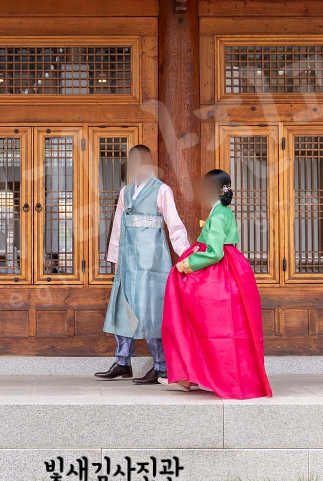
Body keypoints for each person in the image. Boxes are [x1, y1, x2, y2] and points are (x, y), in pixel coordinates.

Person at [160, 169, 272, 399]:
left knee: (200, 322)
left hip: (218, 273)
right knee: (216, 328)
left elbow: (214, 252)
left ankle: (195, 376)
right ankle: (193, 375)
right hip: (230, 272)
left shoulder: (219, 215)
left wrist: (187, 264)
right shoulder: (221, 211)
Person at [96, 145, 190, 384]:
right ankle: (123, 362)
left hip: (152, 260)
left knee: (151, 309)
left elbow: (174, 224)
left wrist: (186, 255)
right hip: (128, 259)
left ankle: (161, 366)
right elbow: (118, 226)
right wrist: (115, 259)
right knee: (123, 307)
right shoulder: (126, 192)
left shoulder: (161, 190)